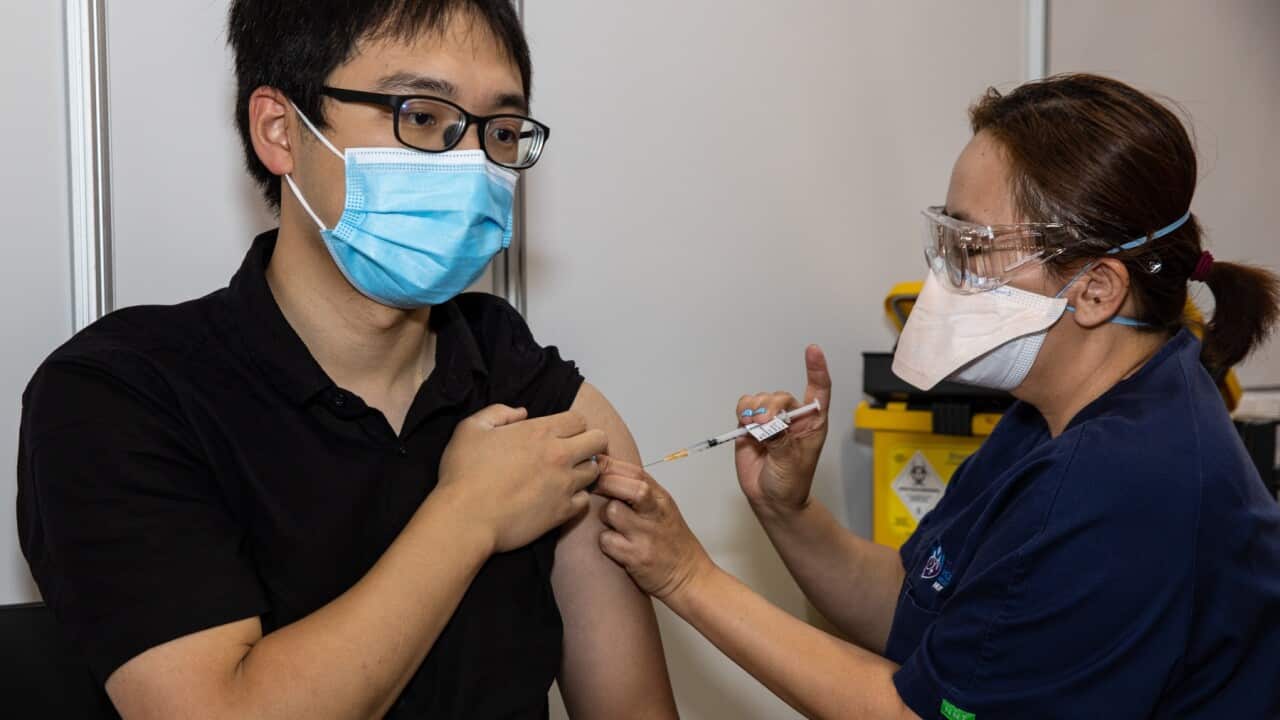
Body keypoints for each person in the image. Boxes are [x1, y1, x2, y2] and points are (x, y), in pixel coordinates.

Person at [17, 2, 676, 718]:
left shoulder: (533, 390)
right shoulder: (122, 397)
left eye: (501, 129)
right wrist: (468, 514)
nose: (471, 164)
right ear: (280, 130)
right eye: (422, 117)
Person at [592, 74, 1280, 719]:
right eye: (945, 239)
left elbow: (912, 710)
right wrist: (788, 511)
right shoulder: (1056, 412)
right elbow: (916, 605)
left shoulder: (1122, 482)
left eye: (973, 247)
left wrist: (687, 576)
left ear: (1097, 290)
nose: (945, 276)